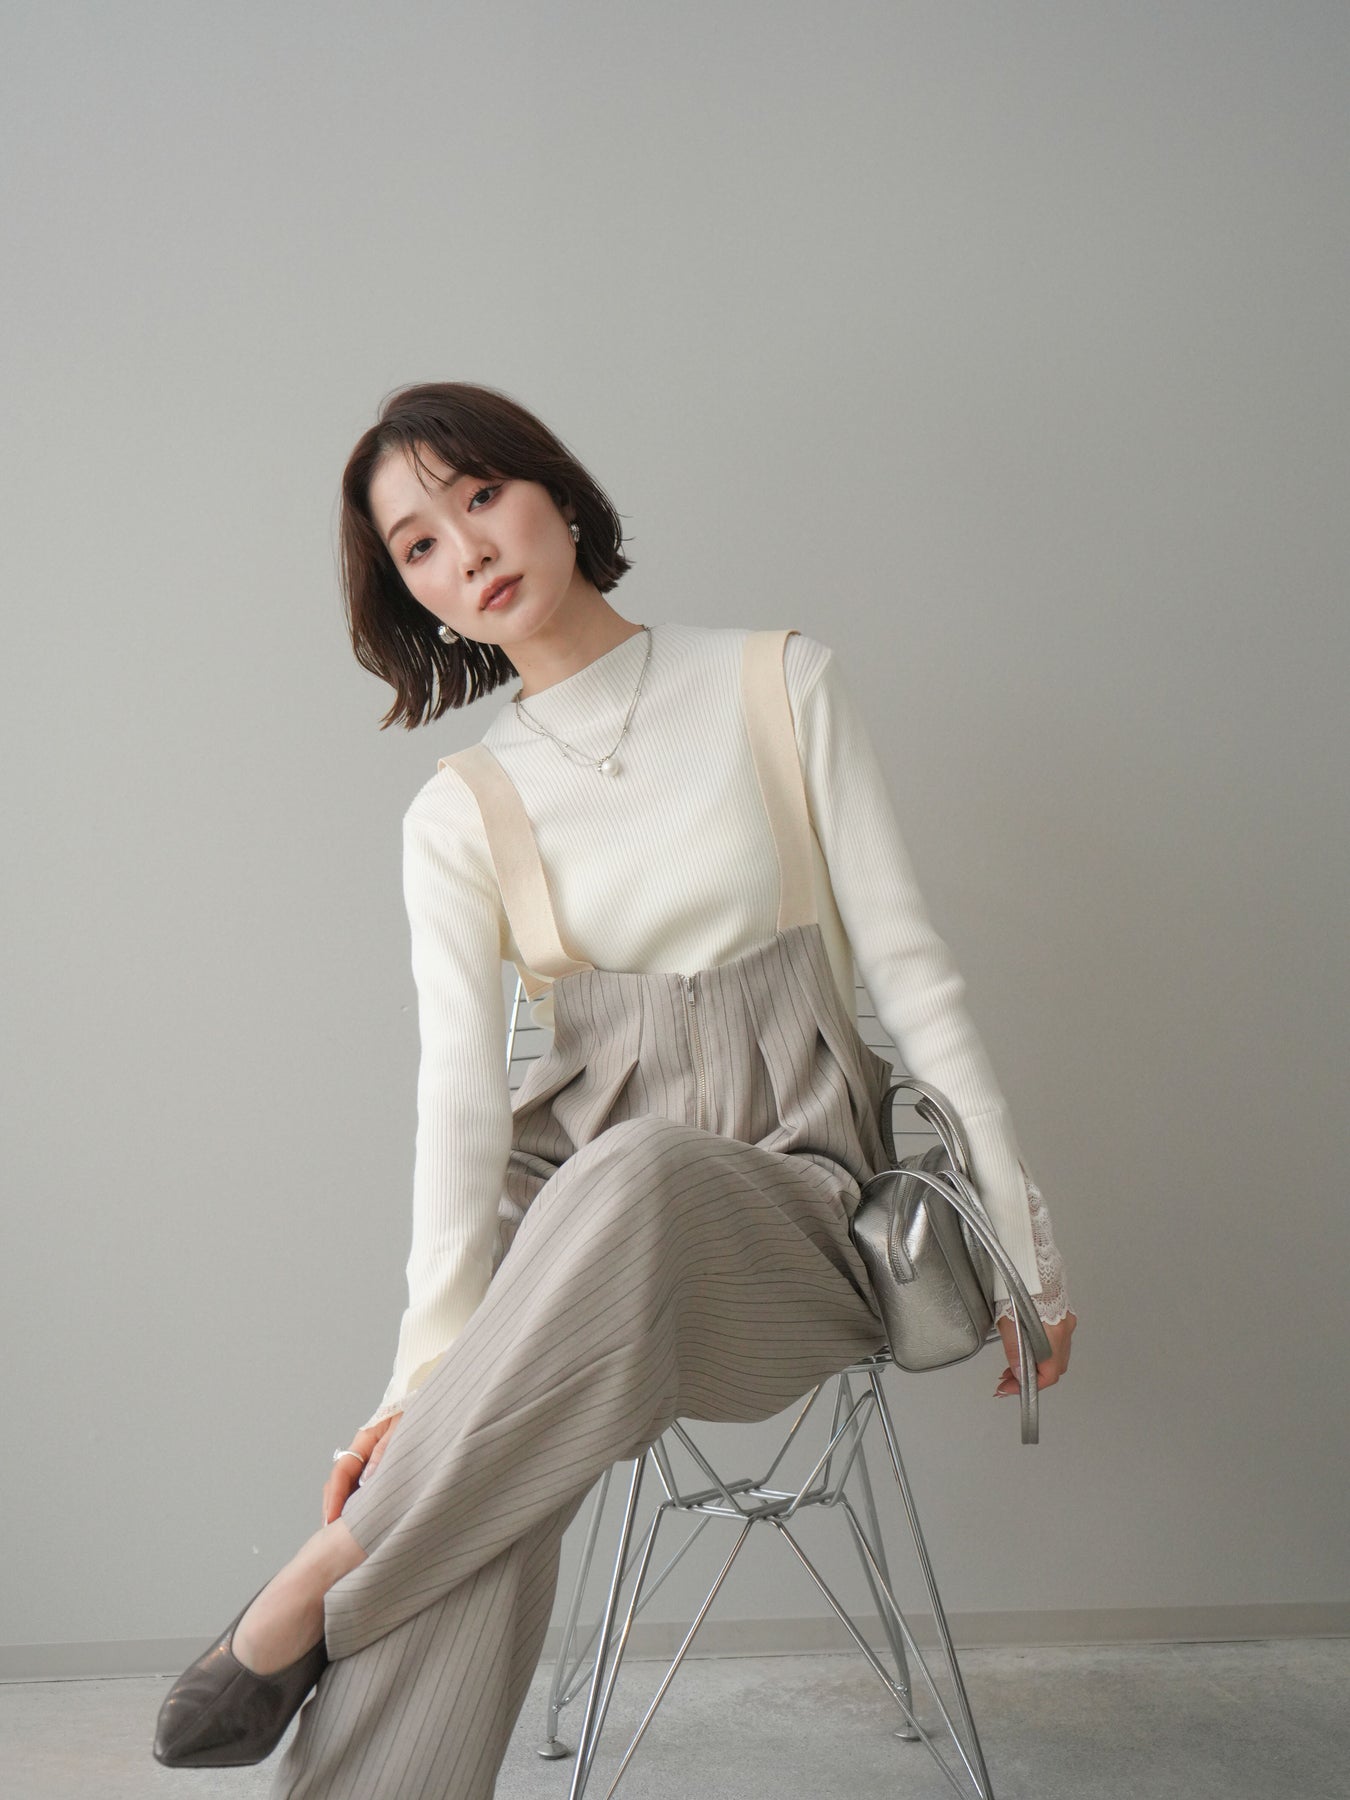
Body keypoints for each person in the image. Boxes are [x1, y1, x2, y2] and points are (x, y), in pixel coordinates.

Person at [154, 381, 1077, 1796]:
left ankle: (327, 1573)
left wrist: (1025, 1250)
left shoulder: (777, 684)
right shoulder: (460, 811)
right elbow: (461, 1112)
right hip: (568, 1258)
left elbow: (913, 976)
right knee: (491, 1434)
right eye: (418, 545)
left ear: (558, 496)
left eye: (479, 496)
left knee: (632, 1177)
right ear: (414, 599)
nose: (466, 549)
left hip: (791, 1222)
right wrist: (415, 1387)